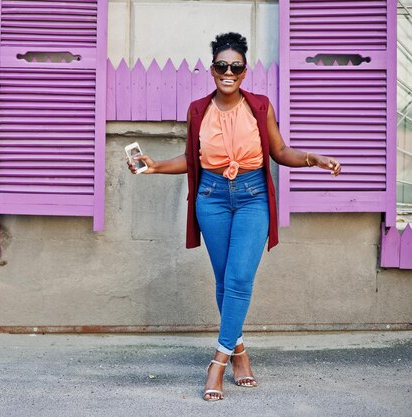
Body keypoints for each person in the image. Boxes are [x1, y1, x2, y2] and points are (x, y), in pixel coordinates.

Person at [127, 32, 341, 402]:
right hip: (211, 198)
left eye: (236, 66)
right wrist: (155, 166)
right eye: (221, 65)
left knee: (240, 277)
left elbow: (280, 151)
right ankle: (240, 352)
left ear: (245, 71)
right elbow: (192, 160)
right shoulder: (198, 109)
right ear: (212, 69)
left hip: (253, 197)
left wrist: (313, 158)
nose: (228, 71)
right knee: (225, 281)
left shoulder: (260, 106)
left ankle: (219, 361)